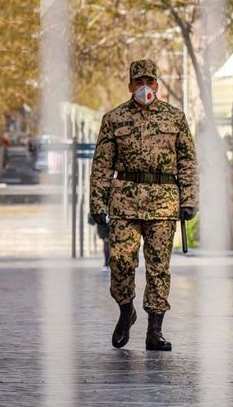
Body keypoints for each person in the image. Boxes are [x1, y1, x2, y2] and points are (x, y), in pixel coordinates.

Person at [89, 59, 198, 351]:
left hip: (163, 202)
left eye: (150, 81)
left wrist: (189, 199)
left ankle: (155, 330)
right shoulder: (114, 119)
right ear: (130, 86)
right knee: (120, 262)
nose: (145, 87)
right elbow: (102, 165)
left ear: (157, 85)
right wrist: (97, 203)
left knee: (158, 267)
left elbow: (187, 161)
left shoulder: (175, 118)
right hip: (125, 201)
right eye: (139, 82)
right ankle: (126, 311)